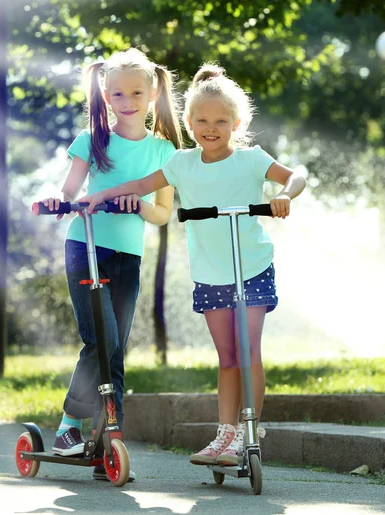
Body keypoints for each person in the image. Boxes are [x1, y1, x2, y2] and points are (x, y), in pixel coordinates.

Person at [79, 63, 306, 467]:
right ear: (189, 122)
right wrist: (99, 196)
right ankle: (225, 435)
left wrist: (284, 195)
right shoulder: (182, 163)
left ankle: (249, 431)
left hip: (250, 266)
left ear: (237, 123)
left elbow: (297, 176)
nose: (210, 127)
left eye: (220, 120)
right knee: (228, 358)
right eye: (201, 120)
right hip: (210, 273)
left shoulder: (252, 159)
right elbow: (140, 185)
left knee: (249, 350)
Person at [40, 48, 183, 480]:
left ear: (153, 92)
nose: (127, 101)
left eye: (136, 92)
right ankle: (69, 428)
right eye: (117, 94)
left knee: (115, 347)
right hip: (86, 246)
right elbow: (69, 191)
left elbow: (162, 214)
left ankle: (107, 441)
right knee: (99, 340)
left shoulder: (164, 151)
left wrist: (137, 204)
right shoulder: (92, 140)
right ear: (105, 95)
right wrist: (55, 200)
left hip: (129, 256)